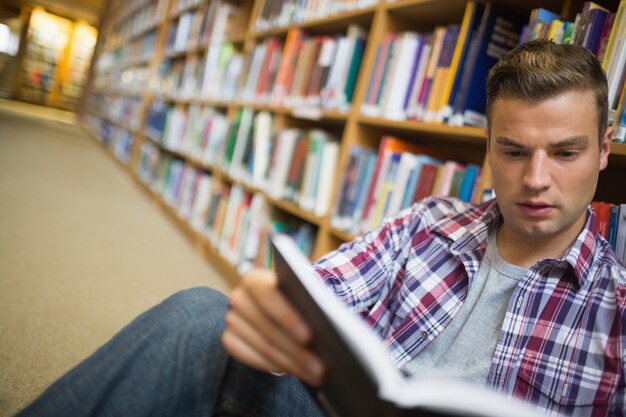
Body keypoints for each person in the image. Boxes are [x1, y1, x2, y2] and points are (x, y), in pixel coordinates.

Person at [17, 39, 626, 417]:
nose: (536, 179)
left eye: (565, 154)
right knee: (205, 314)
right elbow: (322, 294)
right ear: (488, 149)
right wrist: (274, 307)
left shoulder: (618, 312)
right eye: (513, 152)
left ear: (603, 150)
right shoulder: (428, 225)